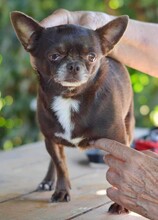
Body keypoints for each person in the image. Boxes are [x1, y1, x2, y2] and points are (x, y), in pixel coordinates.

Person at [40, 9, 158, 219]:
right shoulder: (46, 102)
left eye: (90, 57)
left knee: (125, 137)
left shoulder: (109, 100)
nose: (74, 67)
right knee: (53, 139)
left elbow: (123, 145)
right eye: (55, 56)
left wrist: (121, 195)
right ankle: (59, 175)